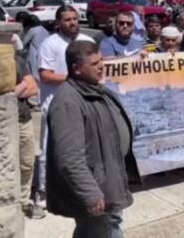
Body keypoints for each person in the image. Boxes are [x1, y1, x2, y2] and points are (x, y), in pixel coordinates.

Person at [46, 40, 139, 237]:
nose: (102, 66)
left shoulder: (94, 88)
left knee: (111, 226)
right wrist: (90, 193)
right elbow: (69, 157)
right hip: (95, 190)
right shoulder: (67, 101)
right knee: (97, 232)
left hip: (108, 180)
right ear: (77, 69)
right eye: (95, 63)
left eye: (101, 61)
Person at [37, 5, 95, 210]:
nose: (72, 23)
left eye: (75, 18)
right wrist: (74, 78)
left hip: (84, 103)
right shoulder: (49, 43)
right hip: (55, 104)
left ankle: (83, 188)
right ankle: (43, 191)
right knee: (48, 149)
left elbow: (99, 66)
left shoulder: (88, 42)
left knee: (83, 149)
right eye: (67, 19)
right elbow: (45, 75)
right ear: (58, 22)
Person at [14, 53, 44, 219]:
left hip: (23, 119)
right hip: (4, 120)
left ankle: (24, 201)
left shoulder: (18, 61)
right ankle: (12, 203)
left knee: (27, 163)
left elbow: (33, 87)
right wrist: (21, 86)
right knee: (7, 165)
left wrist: (12, 92)